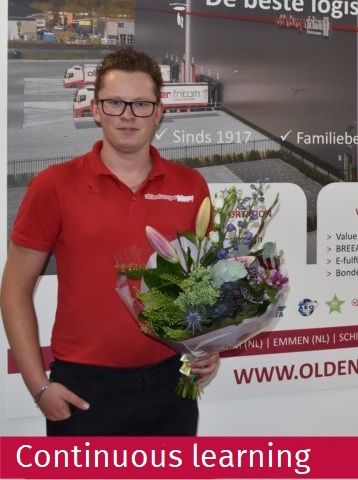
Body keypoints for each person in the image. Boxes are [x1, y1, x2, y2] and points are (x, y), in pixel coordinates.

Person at [0, 48, 219, 436]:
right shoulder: (53, 186)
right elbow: (15, 288)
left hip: (172, 385)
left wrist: (208, 347)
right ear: (97, 109)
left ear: (158, 111)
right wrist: (39, 387)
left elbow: (201, 285)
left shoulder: (191, 186)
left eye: (140, 104)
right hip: (83, 391)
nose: (128, 115)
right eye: (115, 103)